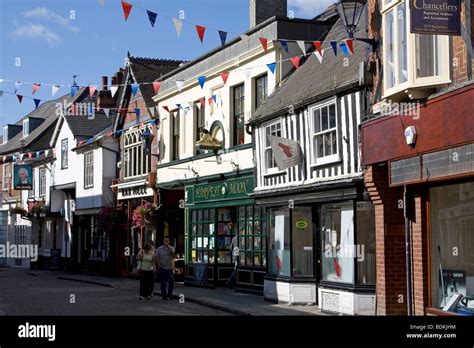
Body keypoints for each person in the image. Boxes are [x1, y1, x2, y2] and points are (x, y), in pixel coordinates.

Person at [226, 219, 238, 288]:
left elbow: (231, 248)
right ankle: (230, 281)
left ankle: (233, 281)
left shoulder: (234, 238)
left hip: (235, 256)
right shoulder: (241, 238)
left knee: (236, 268)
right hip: (240, 256)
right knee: (236, 269)